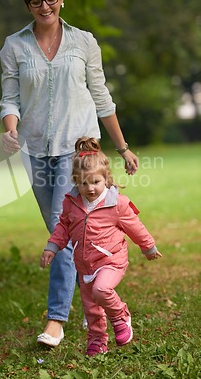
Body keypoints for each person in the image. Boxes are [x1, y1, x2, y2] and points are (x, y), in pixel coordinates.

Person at [0, 0, 139, 347]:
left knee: (63, 228)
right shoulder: (14, 46)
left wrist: (122, 147)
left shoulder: (84, 42)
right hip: (33, 148)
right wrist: (10, 129)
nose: (45, 7)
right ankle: (98, 302)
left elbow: (101, 96)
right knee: (65, 234)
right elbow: (9, 97)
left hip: (77, 149)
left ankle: (56, 320)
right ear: (27, 5)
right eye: (35, 1)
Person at [40, 137, 162, 356]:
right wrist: (52, 247)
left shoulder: (117, 203)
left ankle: (121, 316)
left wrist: (148, 247)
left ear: (106, 178)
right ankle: (97, 341)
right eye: (83, 183)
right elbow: (63, 227)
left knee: (101, 290)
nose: (90, 188)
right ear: (75, 182)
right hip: (85, 265)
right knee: (92, 307)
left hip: (111, 261)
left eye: (95, 182)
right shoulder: (71, 202)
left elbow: (135, 226)